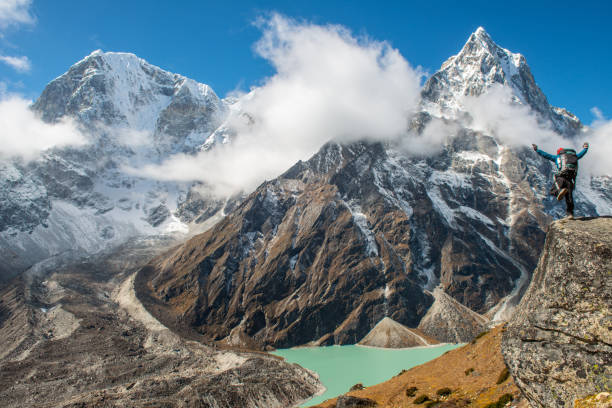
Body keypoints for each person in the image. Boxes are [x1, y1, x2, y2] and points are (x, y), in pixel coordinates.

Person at [532, 142, 589, 219]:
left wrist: (537, 150)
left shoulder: (557, 157)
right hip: (570, 180)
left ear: (559, 153)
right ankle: (570, 214)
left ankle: (559, 191)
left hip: (561, 177)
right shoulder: (574, 156)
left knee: (553, 190)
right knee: (569, 198)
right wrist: (585, 148)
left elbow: (546, 155)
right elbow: (581, 154)